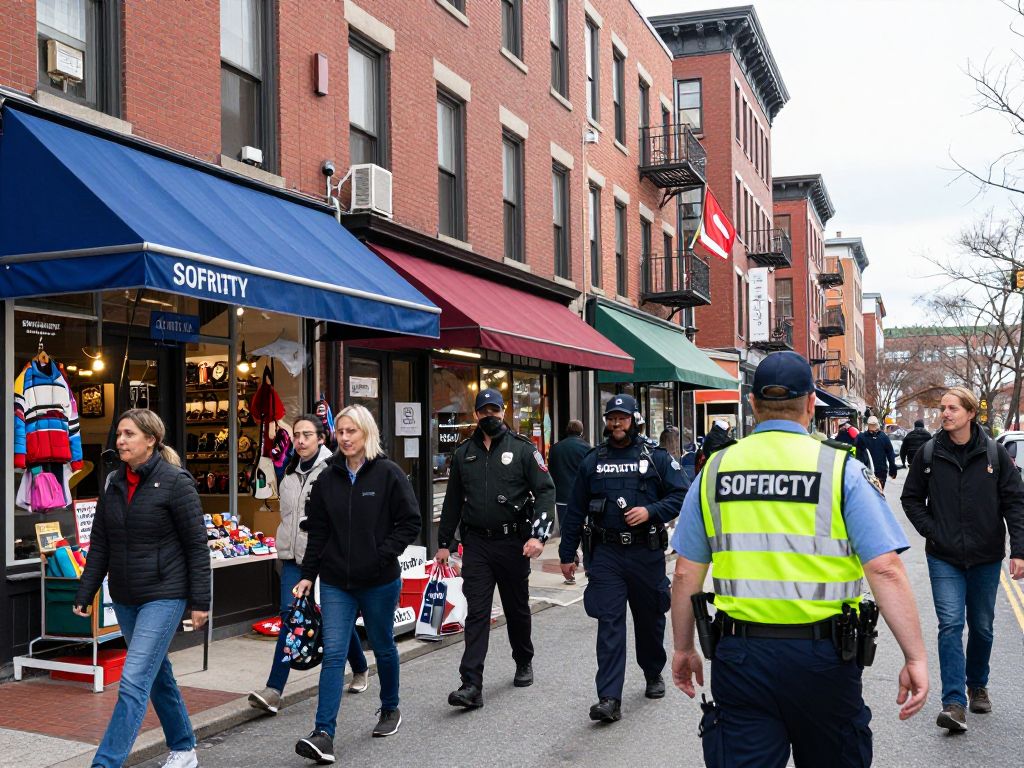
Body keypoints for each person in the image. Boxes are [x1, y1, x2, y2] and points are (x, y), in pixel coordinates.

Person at [671, 351, 929, 766]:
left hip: (741, 656)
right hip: (824, 657)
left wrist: (683, 648)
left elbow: (686, 573)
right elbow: (885, 568)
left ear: (753, 404)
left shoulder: (715, 469)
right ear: (812, 404)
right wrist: (914, 656)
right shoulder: (839, 468)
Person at [74, 409, 210, 768]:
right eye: (119, 434)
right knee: (156, 672)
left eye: (129, 434)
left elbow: (197, 545)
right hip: (126, 596)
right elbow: (100, 543)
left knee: (133, 680)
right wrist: (85, 593)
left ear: (151, 440)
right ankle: (184, 748)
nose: (120, 441)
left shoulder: (176, 482)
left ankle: (105, 763)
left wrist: (201, 601)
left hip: (165, 594)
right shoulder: (113, 483)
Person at [292, 405, 421, 764]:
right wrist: (307, 575)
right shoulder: (326, 479)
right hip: (336, 582)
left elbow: (410, 523)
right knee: (334, 654)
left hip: (379, 581)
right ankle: (323, 733)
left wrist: (382, 554)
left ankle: (390, 708)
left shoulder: (388, 474)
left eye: (353, 431)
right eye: (341, 432)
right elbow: (317, 532)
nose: (345, 438)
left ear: (367, 434)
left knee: (382, 646)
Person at [900, 387, 1024, 733]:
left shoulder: (995, 455)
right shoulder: (928, 454)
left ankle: (977, 684)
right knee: (951, 625)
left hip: (986, 557)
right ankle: (953, 702)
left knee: (982, 627)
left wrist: (1019, 550)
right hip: (944, 557)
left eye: (952, 408)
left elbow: (1015, 503)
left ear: (971, 413)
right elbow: (911, 500)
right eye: (943, 408)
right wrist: (933, 530)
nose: (945, 413)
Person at [559, 394, 687, 723]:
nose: (616, 424)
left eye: (623, 418)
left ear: (634, 420)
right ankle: (609, 697)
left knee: (649, 619)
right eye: (611, 418)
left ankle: (652, 672)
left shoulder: (655, 457)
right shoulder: (593, 460)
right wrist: (566, 552)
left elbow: (681, 494)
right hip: (607, 553)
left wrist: (650, 511)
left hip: (646, 552)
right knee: (609, 624)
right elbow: (575, 510)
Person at [436, 387, 555, 709]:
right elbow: (452, 501)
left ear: (504, 413)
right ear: (476, 415)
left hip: (513, 543)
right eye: (484, 411)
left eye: (495, 411)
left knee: (517, 608)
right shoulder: (463, 454)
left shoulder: (523, 450)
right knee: (477, 612)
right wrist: (444, 542)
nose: (490, 416)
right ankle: (471, 684)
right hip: (477, 544)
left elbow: (545, 491)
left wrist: (539, 536)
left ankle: (523, 660)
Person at [248, 414, 369, 717]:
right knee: (292, 618)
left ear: (321, 438)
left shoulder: (333, 470)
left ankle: (360, 667)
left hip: (325, 558)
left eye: (307, 435)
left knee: (332, 618)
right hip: (292, 558)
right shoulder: (288, 472)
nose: (300, 441)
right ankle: (274, 691)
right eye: (297, 435)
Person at [547, 419, 591, 584]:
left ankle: (570, 567)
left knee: (567, 533)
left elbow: (551, 471)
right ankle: (588, 565)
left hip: (562, 497)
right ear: (581, 432)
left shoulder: (556, 448)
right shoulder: (587, 448)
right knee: (587, 532)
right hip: (583, 497)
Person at [856, 415, 898, 488]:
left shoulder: (861, 437)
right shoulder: (883, 437)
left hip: (867, 471)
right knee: (878, 494)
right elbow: (890, 454)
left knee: (869, 494)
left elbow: (858, 456)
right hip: (878, 471)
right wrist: (893, 470)